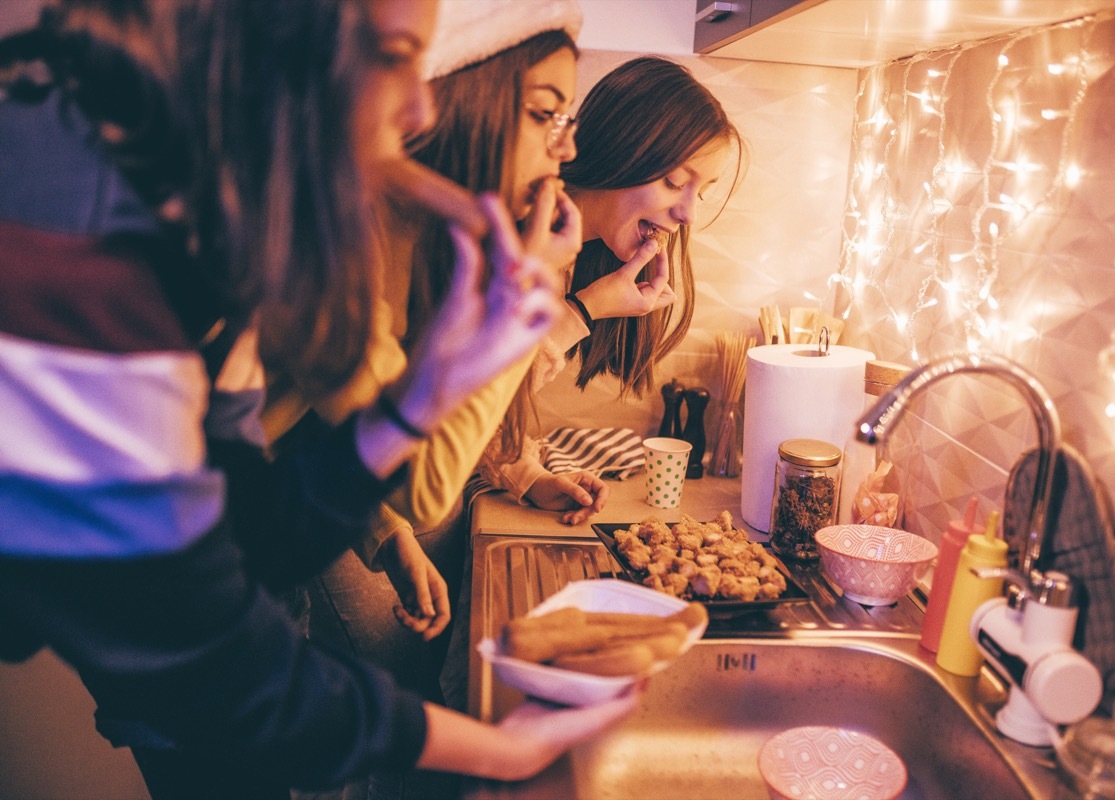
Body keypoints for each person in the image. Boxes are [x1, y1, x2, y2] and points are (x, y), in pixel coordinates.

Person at [0, 2, 639, 799]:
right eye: (393, 55)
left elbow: (250, 536)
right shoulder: (79, 219)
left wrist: (422, 396)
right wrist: (492, 751)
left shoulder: (214, 231)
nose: (418, 108)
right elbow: (209, 658)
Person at [477, 55, 745, 523]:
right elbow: (474, 396)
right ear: (621, 153)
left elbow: (491, 416)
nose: (688, 214)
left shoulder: (577, 253)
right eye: (673, 181)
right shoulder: (513, 239)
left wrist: (532, 478)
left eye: (698, 193)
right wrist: (584, 311)